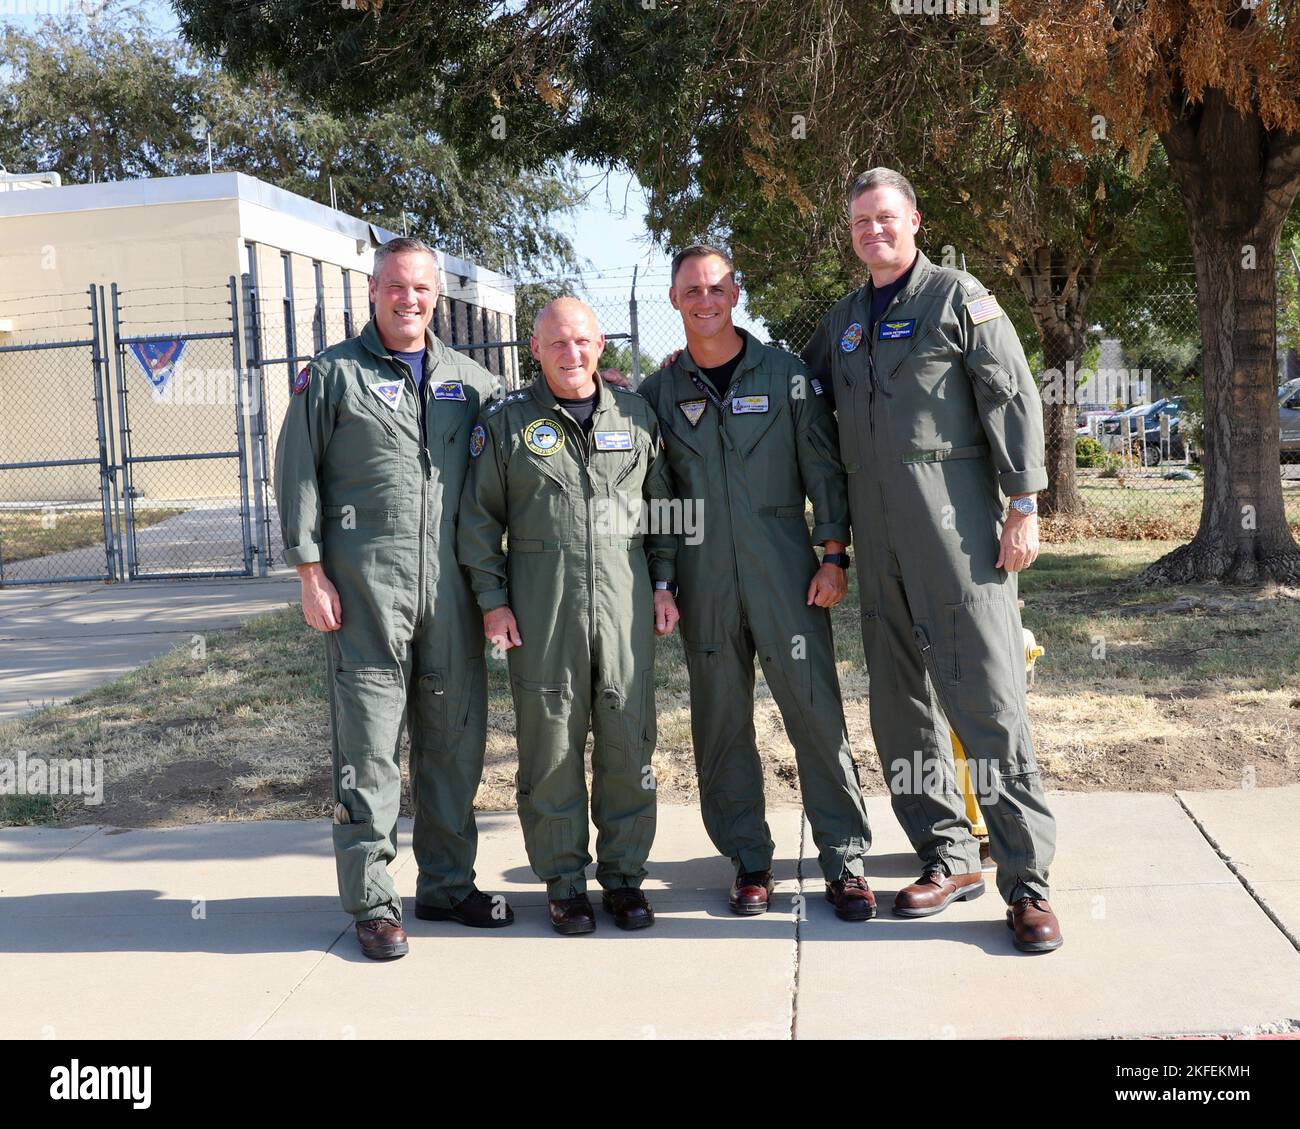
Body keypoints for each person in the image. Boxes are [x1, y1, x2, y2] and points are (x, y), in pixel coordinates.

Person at [801, 168, 1062, 953]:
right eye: (859, 222)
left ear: (914, 219)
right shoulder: (844, 323)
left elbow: (1012, 395)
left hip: (959, 540)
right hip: (878, 550)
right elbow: (797, 395)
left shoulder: (957, 297)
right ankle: (947, 855)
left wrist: (1024, 505)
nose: (872, 231)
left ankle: (1027, 884)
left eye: (885, 217)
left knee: (988, 705)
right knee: (901, 709)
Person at [275, 236, 512, 961]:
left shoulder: (471, 380)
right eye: (397, 287)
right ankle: (374, 901)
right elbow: (297, 475)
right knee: (371, 750)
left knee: (454, 743)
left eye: (423, 289)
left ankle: (445, 884)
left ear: (437, 295)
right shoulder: (333, 376)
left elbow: (516, 453)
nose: (411, 299)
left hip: (451, 592)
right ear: (373, 291)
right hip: (364, 592)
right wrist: (310, 571)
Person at [639, 245, 875, 922]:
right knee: (720, 725)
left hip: (787, 572)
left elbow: (824, 471)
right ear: (674, 300)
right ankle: (748, 858)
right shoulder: (662, 393)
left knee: (815, 714)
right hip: (702, 579)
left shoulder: (787, 375)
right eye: (692, 290)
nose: (705, 299)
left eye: (716, 286)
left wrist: (834, 554)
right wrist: (663, 578)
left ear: (735, 292)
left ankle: (845, 858)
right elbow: (658, 499)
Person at [457, 298, 680, 935]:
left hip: (625, 607)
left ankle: (625, 880)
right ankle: (562, 882)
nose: (571, 353)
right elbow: (478, 520)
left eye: (581, 340)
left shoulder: (637, 416)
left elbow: (662, 511)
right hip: (542, 609)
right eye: (556, 342)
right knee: (550, 743)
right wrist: (492, 601)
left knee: (628, 739)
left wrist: (664, 585)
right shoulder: (506, 424)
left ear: (600, 344)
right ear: (535, 349)